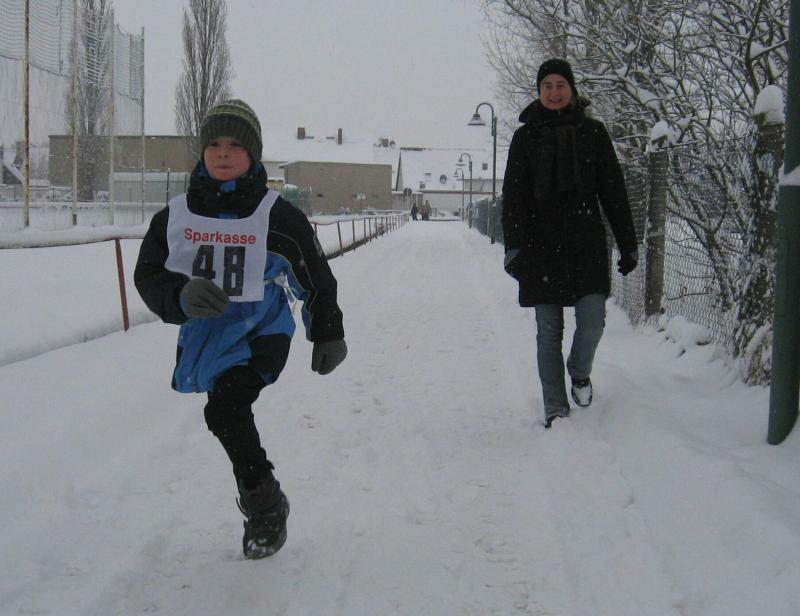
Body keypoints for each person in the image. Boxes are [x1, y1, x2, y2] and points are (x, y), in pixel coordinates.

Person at [134, 99, 347, 558]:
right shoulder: (176, 216)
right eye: (214, 144)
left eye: (235, 145)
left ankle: (265, 509)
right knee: (222, 413)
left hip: (262, 330)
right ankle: (264, 498)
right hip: (208, 334)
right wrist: (179, 296)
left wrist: (327, 331)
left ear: (253, 154)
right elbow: (149, 274)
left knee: (226, 408)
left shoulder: (277, 216)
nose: (223, 153)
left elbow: (314, 276)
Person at [501, 58, 638, 429]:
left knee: (593, 322)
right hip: (539, 248)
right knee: (548, 333)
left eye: (560, 84)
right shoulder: (525, 138)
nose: (554, 92)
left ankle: (579, 371)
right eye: (547, 86)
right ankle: (556, 408)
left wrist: (627, 243)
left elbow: (613, 191)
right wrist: (514, 247)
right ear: (539, 92)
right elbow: (513, 197)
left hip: (586, 244)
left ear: (572, 89)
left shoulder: (593, 133)